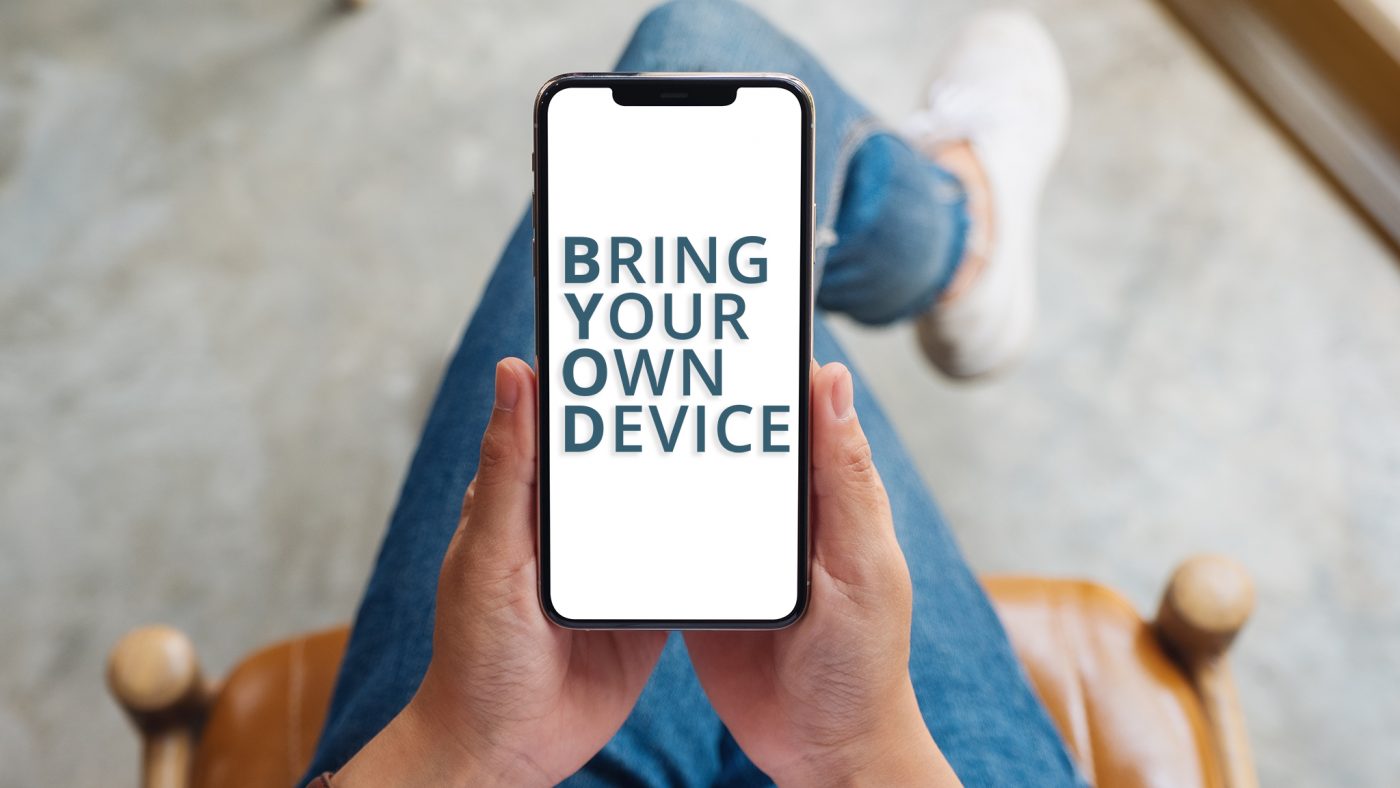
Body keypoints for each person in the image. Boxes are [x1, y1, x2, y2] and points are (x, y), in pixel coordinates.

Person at [302, 1, 1077, 784]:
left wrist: (466, 751)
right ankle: (957, 242)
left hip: (526, 733)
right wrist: (860, 754)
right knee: (703, 76)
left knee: (690, 235)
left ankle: (947, 245)